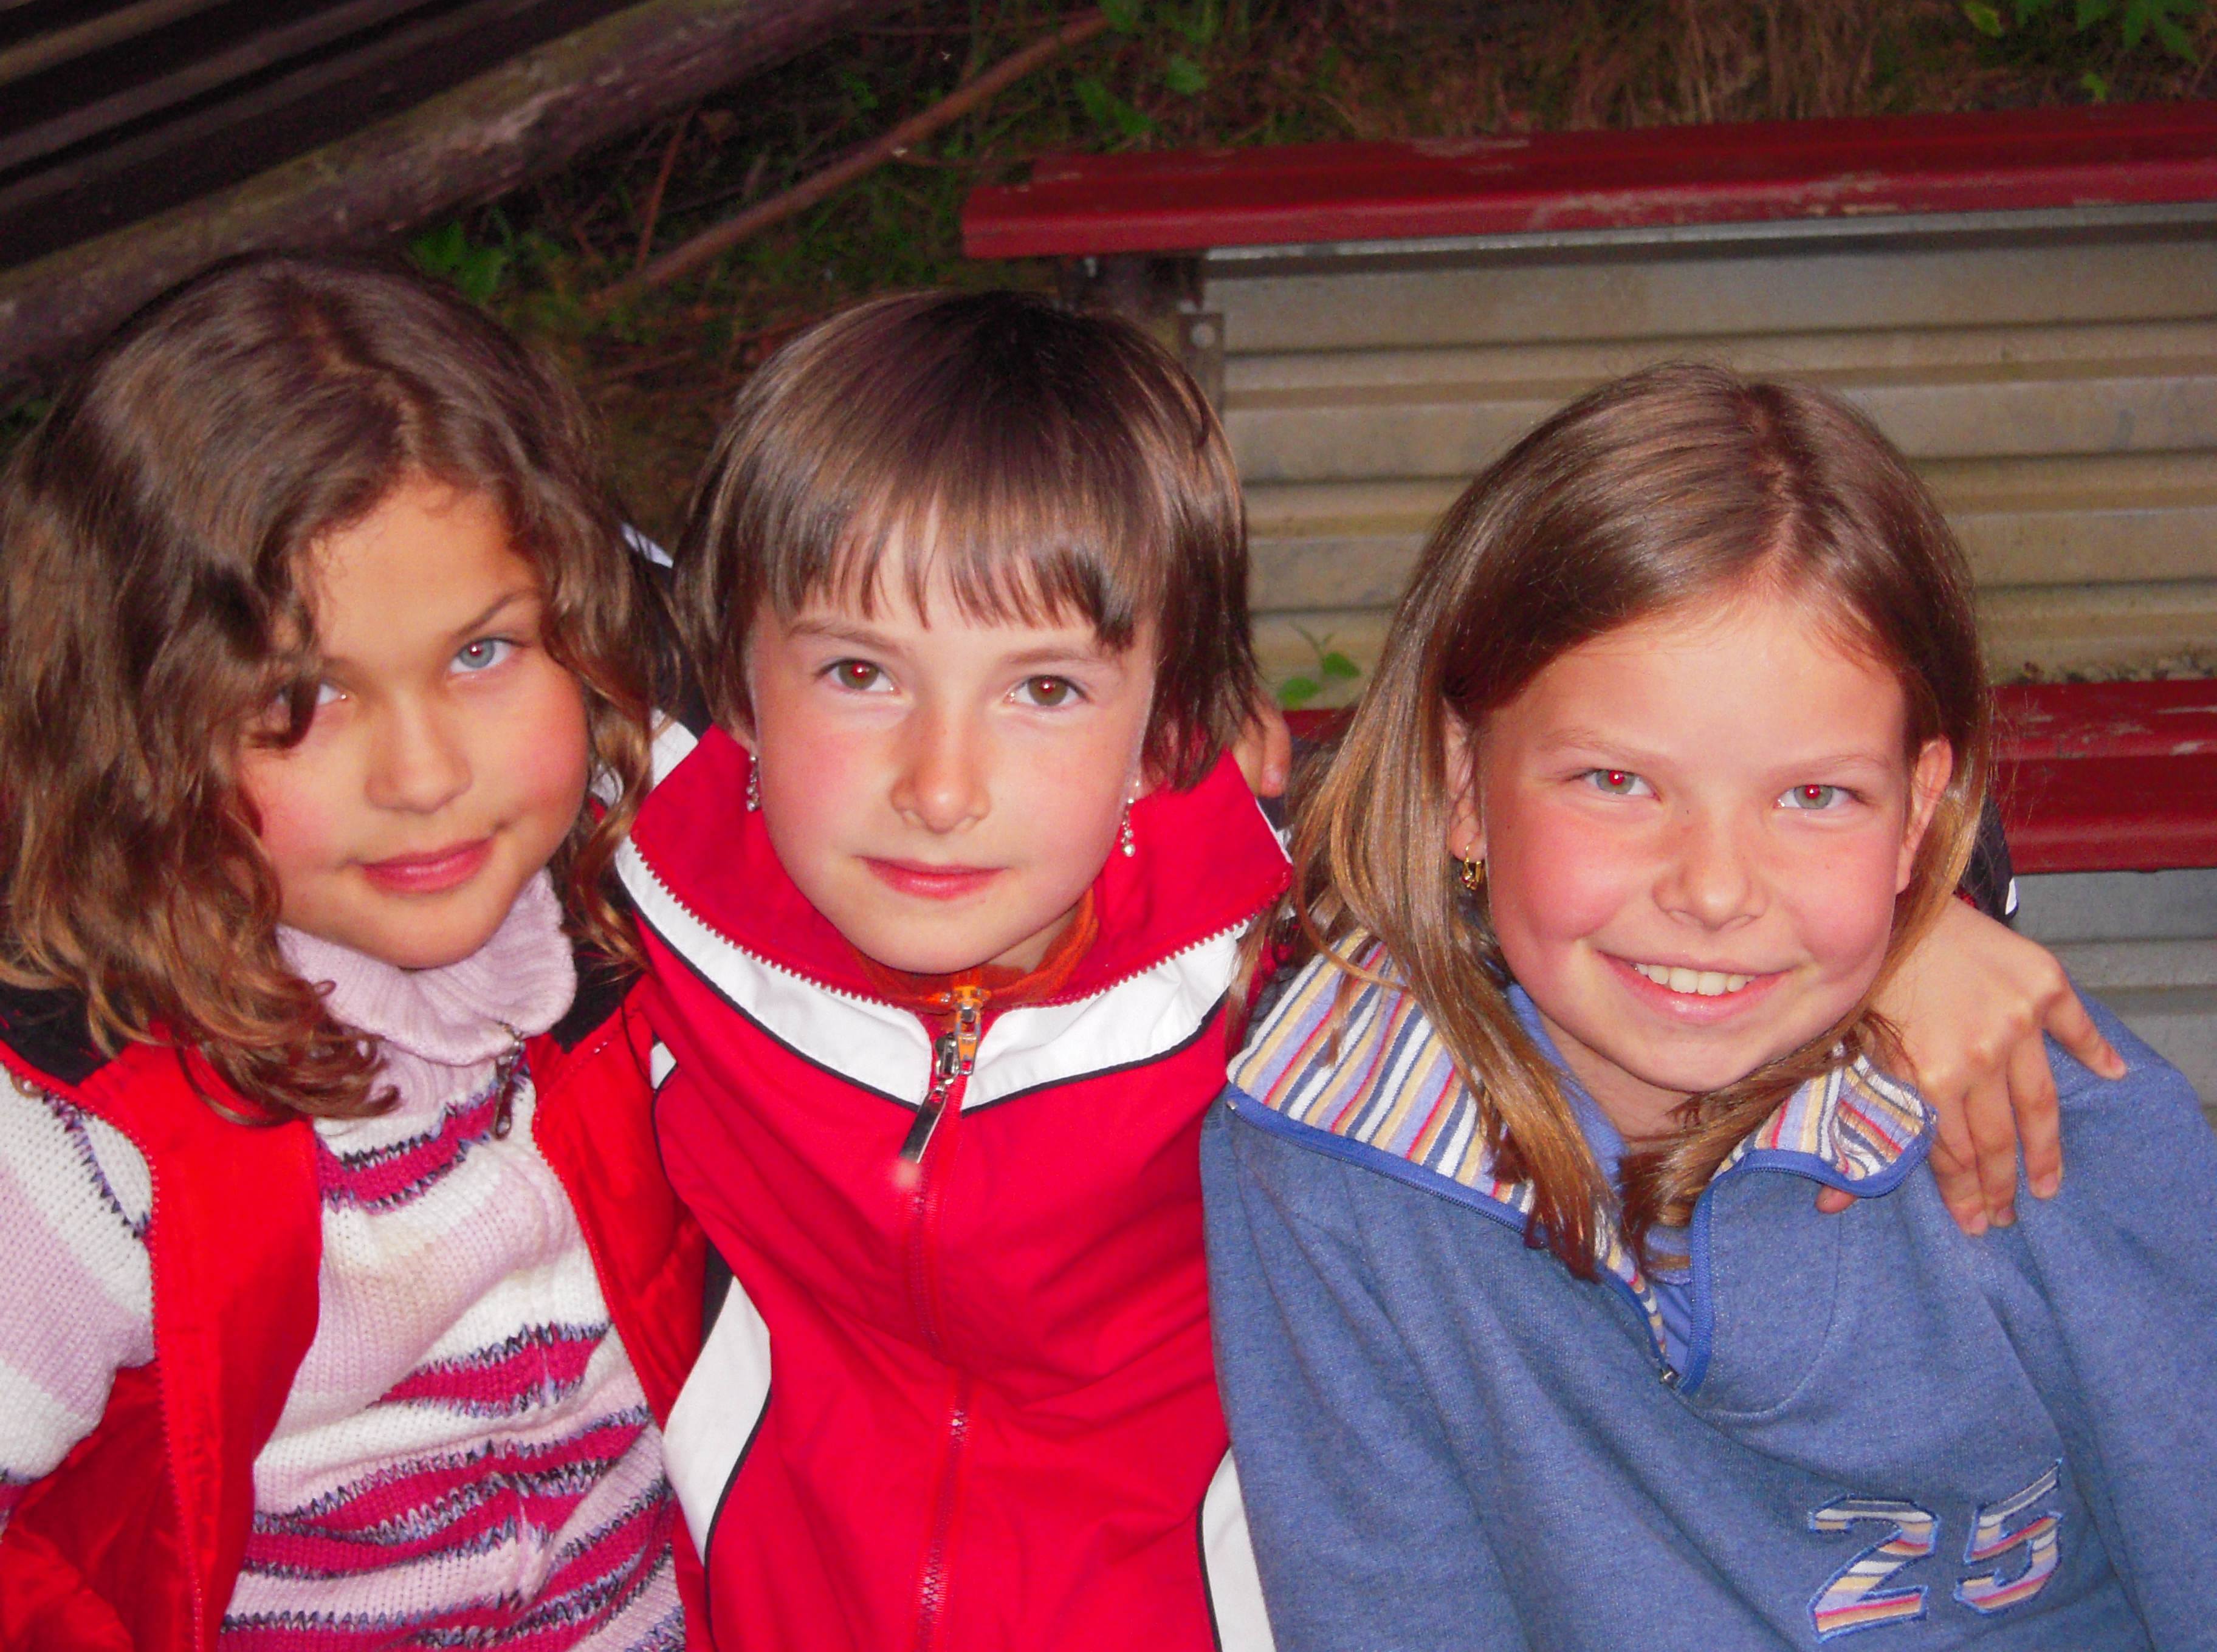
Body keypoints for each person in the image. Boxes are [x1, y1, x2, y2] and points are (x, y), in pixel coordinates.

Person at [627, 299, 2112, 1652]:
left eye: (1046, 689)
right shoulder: (645, 911)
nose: (940, 788)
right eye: (859, 674)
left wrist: (1931, 926)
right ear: (737, 683)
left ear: (1174, 725)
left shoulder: (1283, 953)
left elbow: (1602, 861)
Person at [1204, 363, 2215, 1650]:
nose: (1716, 889)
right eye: (1617, 781)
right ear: (1464, 785)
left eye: (1814, 797)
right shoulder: (1328, 1163)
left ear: (1919, 813)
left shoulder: (2047, 1121)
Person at [0, 256, 705, 1648]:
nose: (424, 773)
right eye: (304, 694)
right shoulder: (87, 1142)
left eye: (484, 653)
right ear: (136, 722)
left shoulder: (658, 939)